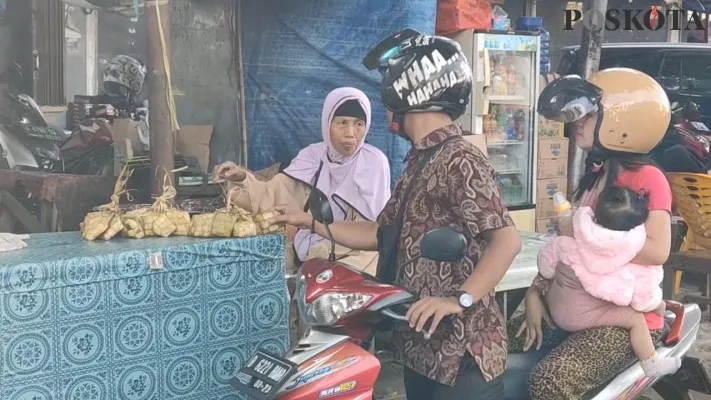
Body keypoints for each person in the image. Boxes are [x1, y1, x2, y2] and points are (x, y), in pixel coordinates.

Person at [272, 29, 522, 399]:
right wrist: (310, 222)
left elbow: (507, 240)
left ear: (409, 92)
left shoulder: (460, 159)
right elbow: (380, 231)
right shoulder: (421, 160)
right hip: (423, 347)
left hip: (461, 353)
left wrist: (459, 299)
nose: (387, 109)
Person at [505, 68, 674, 400]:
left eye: (588, 115)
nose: (577, 122)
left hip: (619, 321)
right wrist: (535, 294)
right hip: (570, 305)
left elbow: (657, 251)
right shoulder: (597, 175)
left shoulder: (648, 178)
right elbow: (567, 247)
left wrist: (584, 235)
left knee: (551, 381)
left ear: (621, 121)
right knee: (487, 345)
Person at [213, 87, 390, 276]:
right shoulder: (312, 157)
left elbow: (372, 231)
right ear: (327, 123)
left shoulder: (373, 163)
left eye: (359, 124)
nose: (350, 133)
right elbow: (269, 197)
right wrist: (241, 178)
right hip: (310, 255)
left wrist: (315, 226)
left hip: (358, 259)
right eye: (342, 123)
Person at [537, 185, 679, 377]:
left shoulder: (573, 239)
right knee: (636, 319)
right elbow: (640, 299)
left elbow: (546, 262)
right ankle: (652, 363)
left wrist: (542, 282)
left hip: (555, 310)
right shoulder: (622, 261)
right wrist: (659, 306)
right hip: (581, 318)